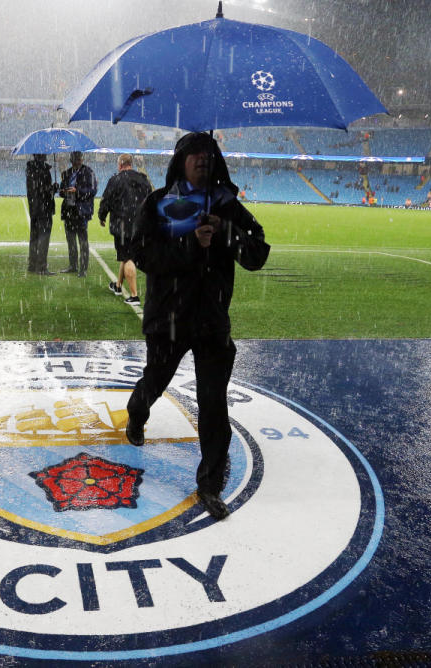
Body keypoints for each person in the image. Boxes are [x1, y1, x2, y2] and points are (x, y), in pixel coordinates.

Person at [124, 132, 270, 521]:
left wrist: (226, 232)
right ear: (181, 160)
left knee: (213, 403)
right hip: (168, 318)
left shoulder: (227, 206)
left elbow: (257, 254)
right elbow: (141, 254)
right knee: (154, 382)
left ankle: (209, 484)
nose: (203, 160)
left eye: (209, 154)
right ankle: (137, 413)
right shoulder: (158, 203)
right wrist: (191, 243)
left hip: (211, 321)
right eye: (194, 154)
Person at [98, 154, 151, 303]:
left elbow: (106, 200)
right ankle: (117, 286)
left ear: (121, 164)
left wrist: (102, 216)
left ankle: (134, 296)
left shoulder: (116, 180)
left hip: (122, 225)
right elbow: (150, 199)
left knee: (127, 258)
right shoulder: (143, 179)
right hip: (140, 224)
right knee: (126, 254)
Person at [59, 151, 97, 277]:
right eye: (75, 159)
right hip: (69, 210)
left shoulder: (89, 172)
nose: (77, 161)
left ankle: (83, 268)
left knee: (83, 241)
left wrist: (77, 191)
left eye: (79, 159)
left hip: (81, 211)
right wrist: (64, 191)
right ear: (72, 160)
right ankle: (73, 265)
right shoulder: (66, 173)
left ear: (82, 160)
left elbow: (92, 191)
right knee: (71, 240)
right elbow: (61, 192)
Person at [25, 154, 56, 275]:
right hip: (44, 209)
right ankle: (42, 267)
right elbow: (43, 190)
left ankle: (32, 264)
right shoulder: (42, 170)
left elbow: (34, 190)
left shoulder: (30, 169)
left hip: (34, 208)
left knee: (34, 237)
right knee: (44, 237)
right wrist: (53, 189)